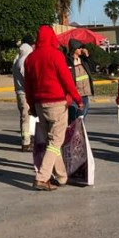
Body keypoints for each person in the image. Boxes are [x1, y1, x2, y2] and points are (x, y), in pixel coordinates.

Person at [25, 25, 83, 191]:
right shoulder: (56, 55)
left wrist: (32, 106)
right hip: (57, 103)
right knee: (56, 142)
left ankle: (62, 177)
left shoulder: (31, 58)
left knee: (52, 142)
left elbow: (28, 86)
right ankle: (42, 178)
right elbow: (67, 80)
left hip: (39, 103)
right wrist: (78, 99)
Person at [12, 35, 35, 151]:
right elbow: (27, 77)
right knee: (26, 117)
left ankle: (27, 139)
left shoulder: (18, 58)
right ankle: (26, 142)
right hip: (25, 92)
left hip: (19, 91)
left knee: (24, 117)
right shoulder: (25, 59)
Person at [65, 39, 95, 122]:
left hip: (84, 94)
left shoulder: (83, 60)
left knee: (82, 117)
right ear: (74, 49)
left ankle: (79, 133)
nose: (82, 49)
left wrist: (88, 56)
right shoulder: (68, 61)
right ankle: (72, 133)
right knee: (73, 118)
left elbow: (93, 68)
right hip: (74, 95)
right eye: (79, 48)